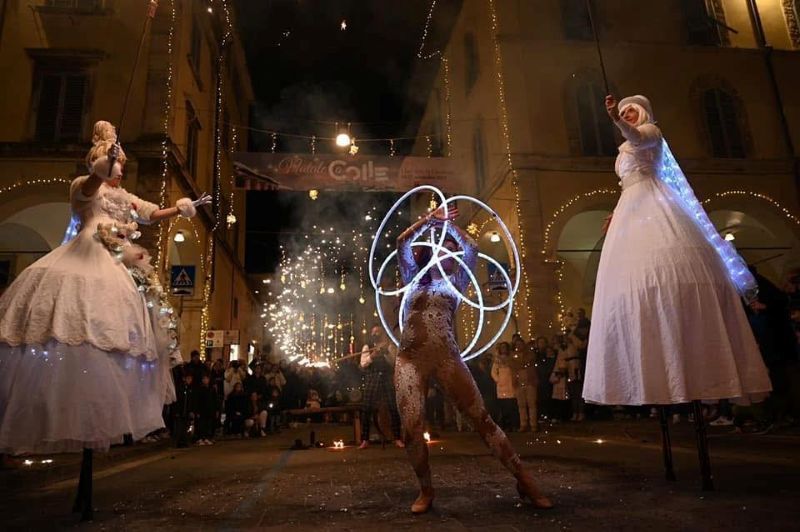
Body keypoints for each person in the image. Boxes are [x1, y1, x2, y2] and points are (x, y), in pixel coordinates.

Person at [0, 120, 208, 455]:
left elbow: (150, 214)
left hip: (121, 260)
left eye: (123, 165)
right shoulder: (85, 186)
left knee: (124, 316)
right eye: (118, 164)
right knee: (79, 314)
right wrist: (103, 165)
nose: (121, 170)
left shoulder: (124, 197)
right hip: (90, 252)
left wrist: (183, 208)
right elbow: (89, 189)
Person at [583, 95, 771, 407]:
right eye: (624, 111)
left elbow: (637, 138)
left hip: (654, 200)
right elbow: (627, 179)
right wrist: (617, 212)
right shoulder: (623, 152)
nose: (628, 114)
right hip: (631, 204)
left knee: (669, 262)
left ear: (642, 113)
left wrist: (613, 118)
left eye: (632, 111)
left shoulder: (651, 133)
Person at [393, 204, 552, 514]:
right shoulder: (413, 274)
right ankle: (426, 490)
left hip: (447, 358)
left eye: (454, 253)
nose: (451, 255)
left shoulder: (458, 283)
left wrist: (451, 229)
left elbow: (473, 247)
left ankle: (525, 479)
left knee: (481, 420)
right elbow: (402, 242)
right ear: (436, 252)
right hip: (410, 359)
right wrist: (430, 221)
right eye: (445, 250)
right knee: (411, 427)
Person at [359, 325, 404, 449]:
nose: (376, 334)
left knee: (393, 408)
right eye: (374, 332)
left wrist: (386, 353)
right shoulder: (367, 347)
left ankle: (397, 438)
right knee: (367, 409)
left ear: (382, 333)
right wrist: (373, 355)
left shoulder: (390, 346)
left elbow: (394, 362)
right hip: (372, 378)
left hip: (386, 378)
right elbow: (363, 364)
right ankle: (365, 440)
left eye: (378, 332)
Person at [244, 364, 270, 437]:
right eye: (257, 368)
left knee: (264, 412)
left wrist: (260, 395)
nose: (258, 370)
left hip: (261, 398)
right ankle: (247, 431)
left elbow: (265, 388)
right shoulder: (250, 378)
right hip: (251, 416)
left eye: (259, 368)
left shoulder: (263, 379)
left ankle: (262, 429)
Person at [195, 374, 218, 445]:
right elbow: (197, 401)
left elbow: (215, 400)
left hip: (210, 410)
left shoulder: (212, 389)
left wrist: (216, 410)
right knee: (201, 425)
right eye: (204, 379)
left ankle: (207, 438)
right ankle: (200, 438)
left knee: (208, 425)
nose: (205, 380)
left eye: (206, 378)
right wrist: (197, 411)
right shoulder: (199, 389)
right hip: (202, 410)